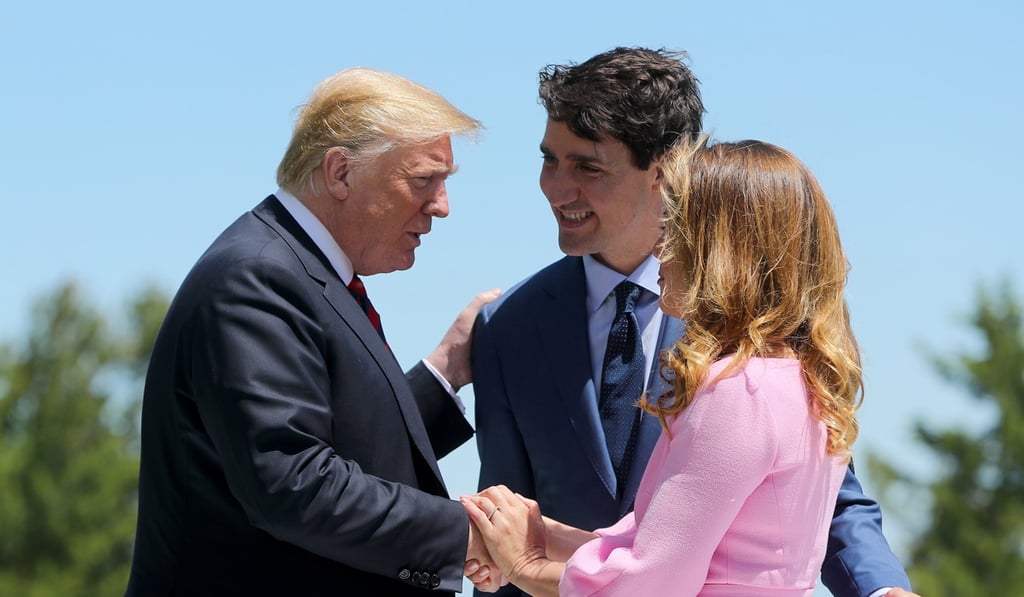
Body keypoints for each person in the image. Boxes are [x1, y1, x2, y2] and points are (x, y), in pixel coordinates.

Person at [470, 47, 917, 596]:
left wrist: (882, 589)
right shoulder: (505, 325)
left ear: (662, 171)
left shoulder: (752, 372)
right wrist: (505, 551)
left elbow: (821, 500)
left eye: (587, 166)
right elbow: (510, 511)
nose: (558, 188)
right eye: (549, 160)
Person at [125, 67, 501, 596]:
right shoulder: (257, 278)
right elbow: (294, 483)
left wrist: (446, 369)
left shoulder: (296, 271)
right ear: (340, 173)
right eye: (424, 180)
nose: (441, 205)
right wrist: (469, 535)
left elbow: (343, 444)